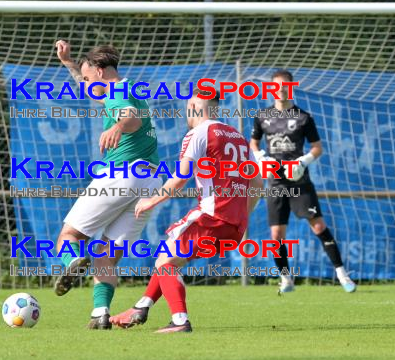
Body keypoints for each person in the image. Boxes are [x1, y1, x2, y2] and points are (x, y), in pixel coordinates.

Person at [109, 88, 263, 333]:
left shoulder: (199, 132)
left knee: (165, 262)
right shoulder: (239, 137)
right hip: (235, 225)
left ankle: (180, 321)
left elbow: (180, 178)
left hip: (212, 215)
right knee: (169, 259)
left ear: (194, 105)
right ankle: (141, 307)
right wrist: (243, 216)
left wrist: (151, 200)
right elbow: (257, 184)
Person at [54, 40, 161, 329]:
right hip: (150, 183)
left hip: (122, 176)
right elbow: (100, 96)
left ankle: (72, 261)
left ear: (100, 72)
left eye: (89, 77)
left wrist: (116, 126)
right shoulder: (127, 88)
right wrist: (70, 64)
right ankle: (100, 314)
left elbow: (129, 117)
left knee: (69, 235)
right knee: (106, 256)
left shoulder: (117, 93)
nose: (87, 82)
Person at [249, 69, 356, 293]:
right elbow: (254, 144)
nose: (280, 90)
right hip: (276, 184)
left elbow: (318, 148)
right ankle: (286, 279)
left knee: (318, 225)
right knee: (276, 235)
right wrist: (261, 158)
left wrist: (303, 161)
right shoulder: (262, 116)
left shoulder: (303, 117)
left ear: (291, 88)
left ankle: (342, 275)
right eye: (276, 86)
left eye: (285, 86)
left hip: (299, 182)